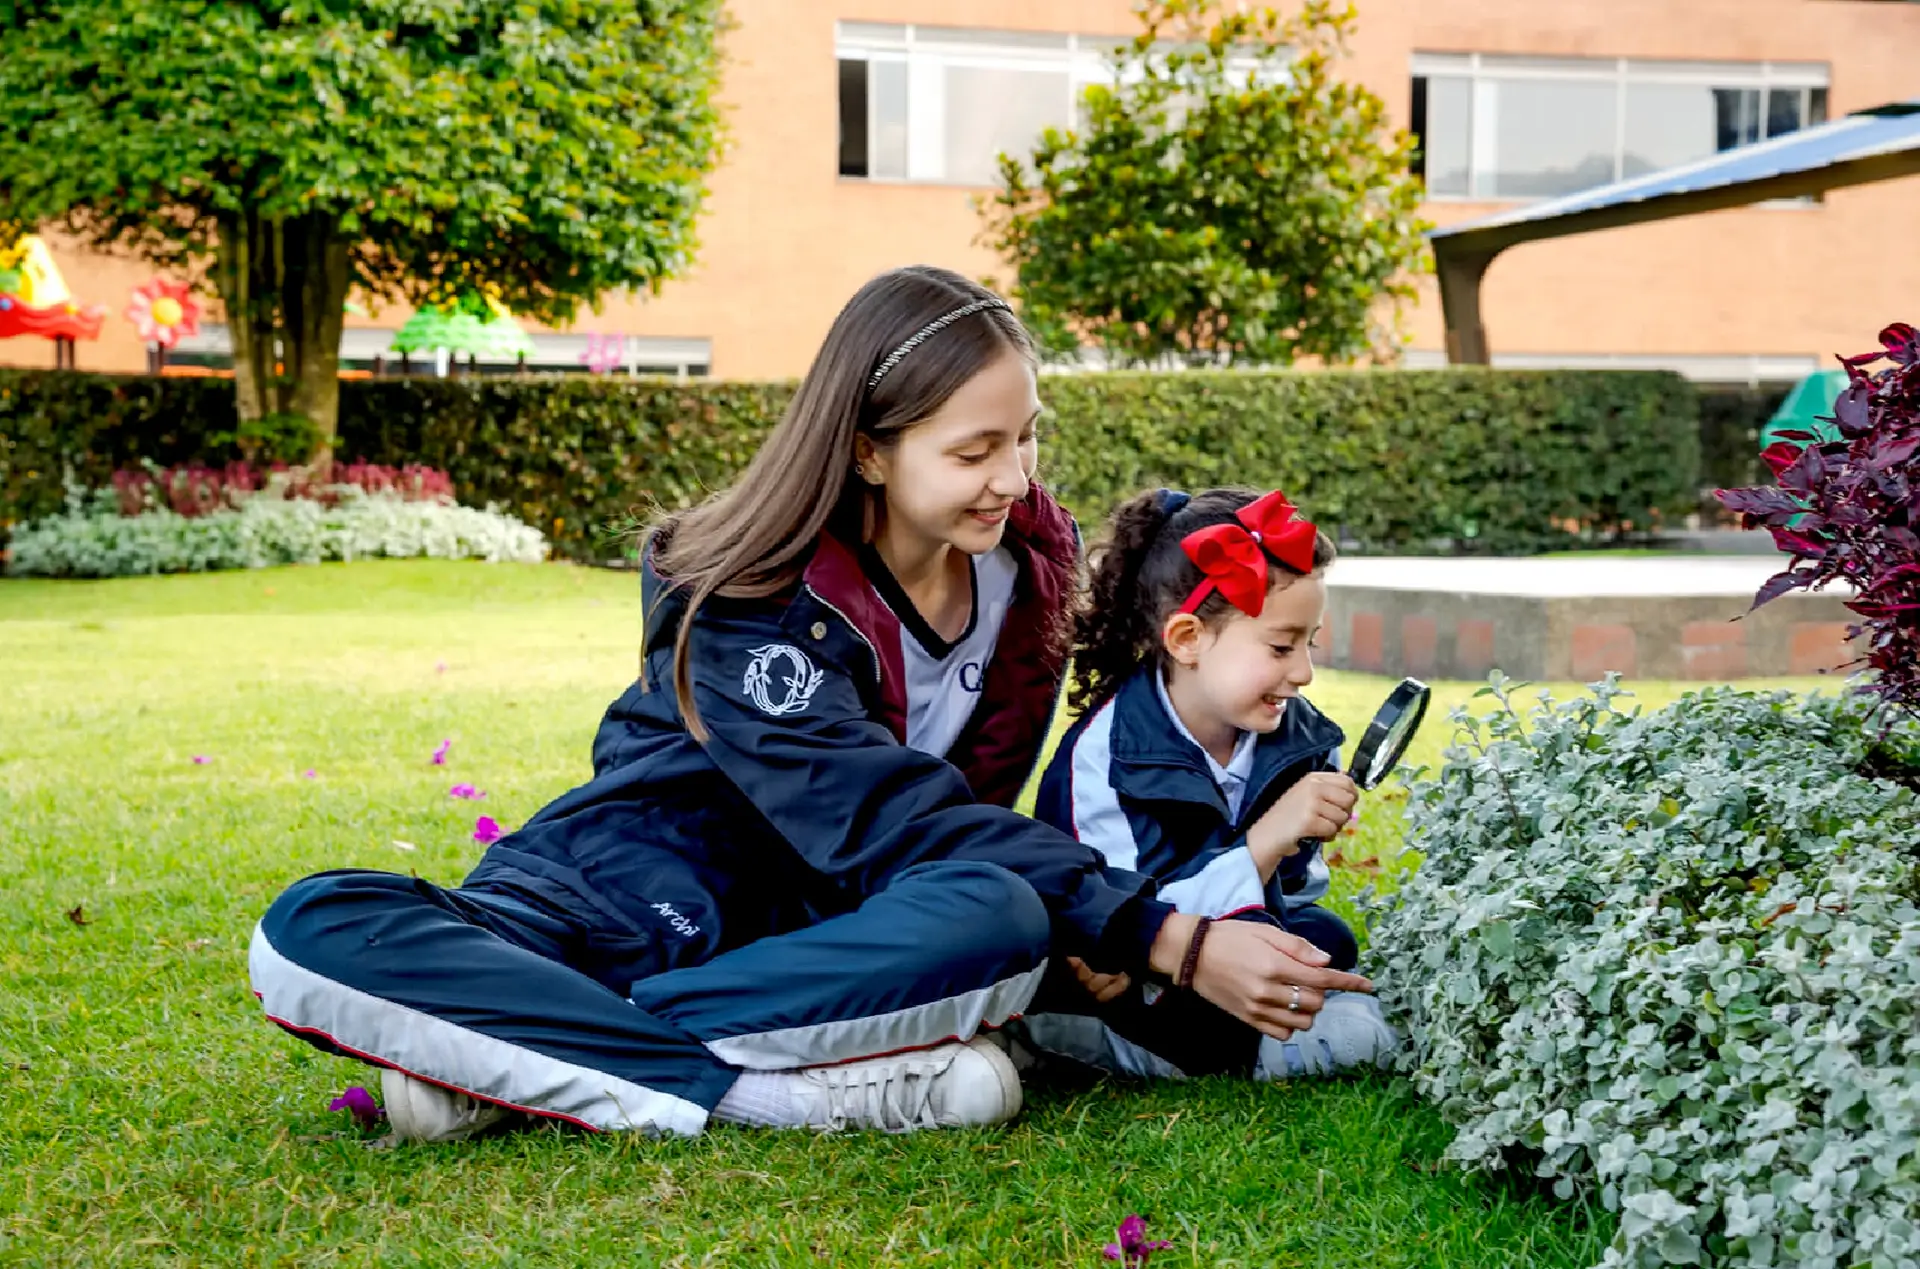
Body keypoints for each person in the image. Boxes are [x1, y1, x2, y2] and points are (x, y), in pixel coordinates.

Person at [247, 268, 1373, 1142]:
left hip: (822, 946)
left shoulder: (1026, 568)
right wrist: (1166, 935)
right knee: (311, 928)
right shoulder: (748, 598)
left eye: (1026, 438)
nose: (1015, 478)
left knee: (1005, 916)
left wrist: (1116, 924)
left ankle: (522, 1065)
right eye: (975, 449)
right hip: (617, 909)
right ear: (869, 453)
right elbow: (886, 818)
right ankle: (752, 1092)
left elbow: (950, 840)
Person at [1021, 487, 1399, 1082]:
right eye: (1280, 646)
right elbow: (1133, 923)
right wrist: (1267, 840)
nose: (1303, 672)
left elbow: (1297, 894)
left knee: (1325, 936)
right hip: (1127, 971)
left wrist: (1291, 867)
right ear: (1188, 639)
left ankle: (1285, 1022)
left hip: (1233, 938)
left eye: (1310, 643)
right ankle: (1114, 1045)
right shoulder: (1106, 758)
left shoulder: (1299, 739)